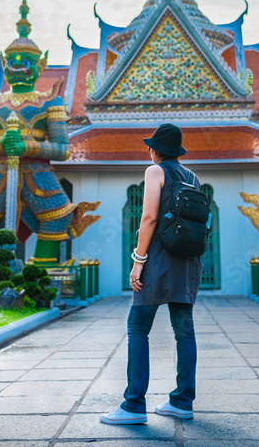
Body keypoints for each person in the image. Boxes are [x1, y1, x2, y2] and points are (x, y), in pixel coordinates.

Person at [100, 123, 202, 425]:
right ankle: (183, 402)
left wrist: (138, 260)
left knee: (137, 326)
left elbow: (149, 217)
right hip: (187, 262)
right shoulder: (192, 176)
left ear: (154, 150)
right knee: (184, 329)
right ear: (178, 151)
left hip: (159, 259)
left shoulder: (154, 171)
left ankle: (133, 406)